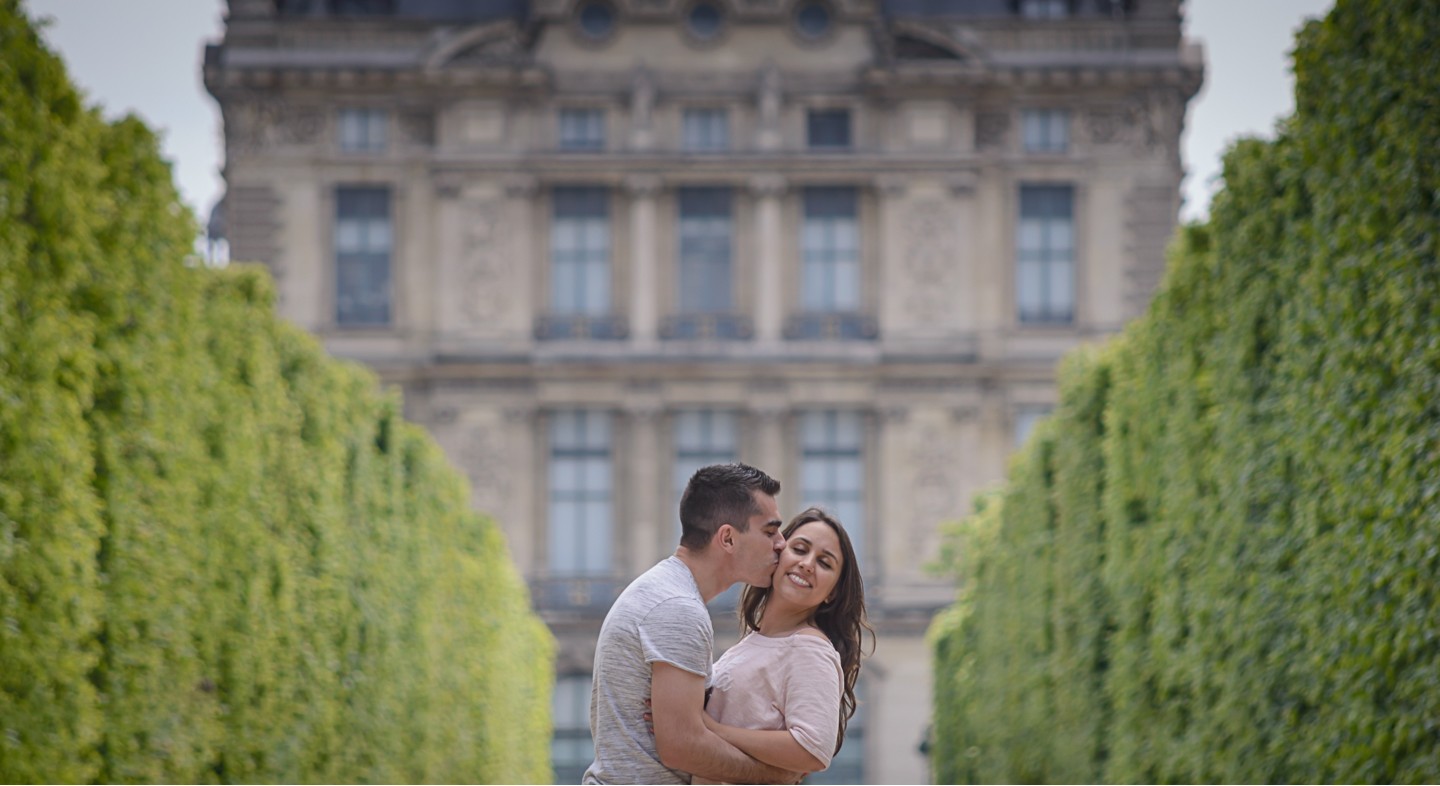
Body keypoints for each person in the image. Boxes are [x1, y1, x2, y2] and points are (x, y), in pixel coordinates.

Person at [583, 463, 799, 785]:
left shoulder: (667, 593)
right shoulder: (677, 610)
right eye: (769, 531)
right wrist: (775, 776)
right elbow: (682, 747)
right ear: (727, 538)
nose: (781, 543)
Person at [693, 507, 872, 783]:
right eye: (800, 549)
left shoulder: (809, 649)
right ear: (778, 555)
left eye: (825, 563)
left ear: (832, 592)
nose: (808, 564)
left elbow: (813, 749)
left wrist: (711, 730)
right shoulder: (753, 643)